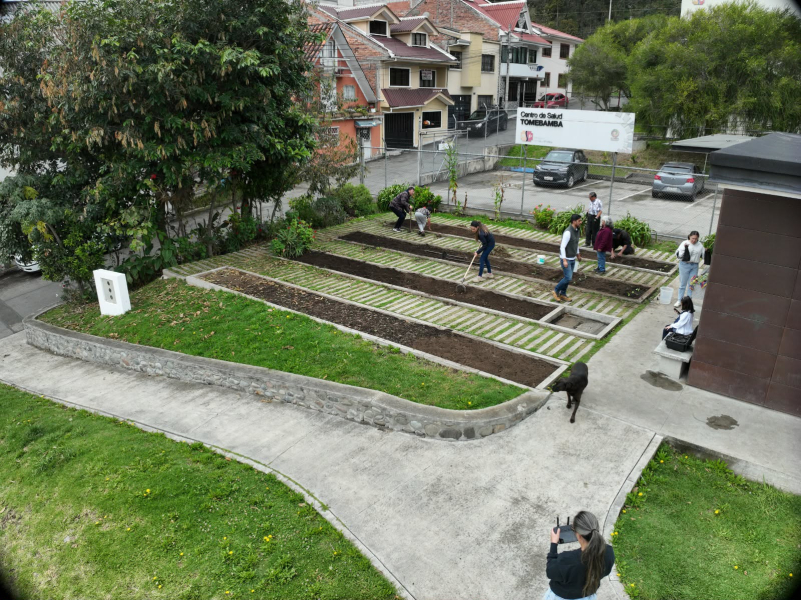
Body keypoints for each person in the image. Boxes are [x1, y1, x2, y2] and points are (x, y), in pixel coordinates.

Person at [546, 510, 615, 600]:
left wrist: (553, 544)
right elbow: (606, 572)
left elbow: (550, 571)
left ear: (578, 535)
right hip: (588, 596)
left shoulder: (566, 560)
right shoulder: (609, 552)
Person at [553, 214, 582, 302]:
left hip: (572, 258)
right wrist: (564, 260)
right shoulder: (568, 232)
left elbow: (576, 243)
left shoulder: (577, 230)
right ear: (574, 221)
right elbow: (562, 247)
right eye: (579, 221)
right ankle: (556, 290)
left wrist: (578, 254)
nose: (580, 222)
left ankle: (563, 294)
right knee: (568, 278)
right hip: (566, 259)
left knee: (568, 278)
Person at [674, 230, 704, 308]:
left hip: (694, 265)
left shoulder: (700, 245)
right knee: (682, 284)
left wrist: (706, 251)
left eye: (696, 239)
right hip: (684, 265)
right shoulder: (684, 243)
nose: (694, 240)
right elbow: (678, 255)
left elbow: (703, 255)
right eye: (692, 238)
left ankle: (688, 301)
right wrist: (685, 249)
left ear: (698, 238)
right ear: (689, 237)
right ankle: (679, 300)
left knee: (692, 284)